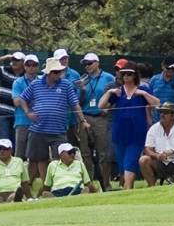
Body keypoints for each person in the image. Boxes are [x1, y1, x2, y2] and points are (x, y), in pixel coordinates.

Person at [18, 58, 79, 191]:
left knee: (62, 158)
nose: (58, 75)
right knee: (38, 159)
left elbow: (75, 103)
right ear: (48, 73)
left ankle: (58, 185)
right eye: (55, 72)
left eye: (59, 72)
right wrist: (28, 112)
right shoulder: (36, 84)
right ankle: (39, 188)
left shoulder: (66, 85)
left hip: (58, 129)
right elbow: (22, 98)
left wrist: (82, 120)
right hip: (38, 128)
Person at [101, 67, 154, 189]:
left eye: (129, 74)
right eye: (123, 74)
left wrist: (144, 94)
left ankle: (128, 188)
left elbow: (156, 103)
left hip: (137, 134)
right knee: (122, 164)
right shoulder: (118, 92)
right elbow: (102, 106)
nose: (126, 76)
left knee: (130, 161)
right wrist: (109, 92)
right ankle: (126, 185)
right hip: (120, 133)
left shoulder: (142, 89)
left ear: (135, 75)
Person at [70, 52, 115, 191]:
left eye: (90, 63)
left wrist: (109, 110)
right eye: (85, 64)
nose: (87, 66)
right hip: (85, 117)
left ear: (97, 63)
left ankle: (106, 184)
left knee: (103, 153)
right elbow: (77, 102)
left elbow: (115, 97)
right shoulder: (83, 79)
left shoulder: (108, 78)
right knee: (85, 153)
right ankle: (89, 185)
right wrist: (82, 90)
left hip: (101, 118)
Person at [9, 54, 41, 152]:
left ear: (37, 66)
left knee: (37, 153)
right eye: (28, 65)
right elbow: (16, 102)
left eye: (34, 65)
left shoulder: (42, 80)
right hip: (22, 121)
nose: (31, 67)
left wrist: (24, 97)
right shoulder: (18, 82)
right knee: (20, 153)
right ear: (24, 66)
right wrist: (34, 97)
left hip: (39, 121)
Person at [0, 139, 28, 204]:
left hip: (13, 191)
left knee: (14, 197)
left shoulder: (19, 161)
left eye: (5, 148)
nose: (2, 151)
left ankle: (16, 200)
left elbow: (24, 182)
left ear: (11, 150)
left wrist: (29, 197)